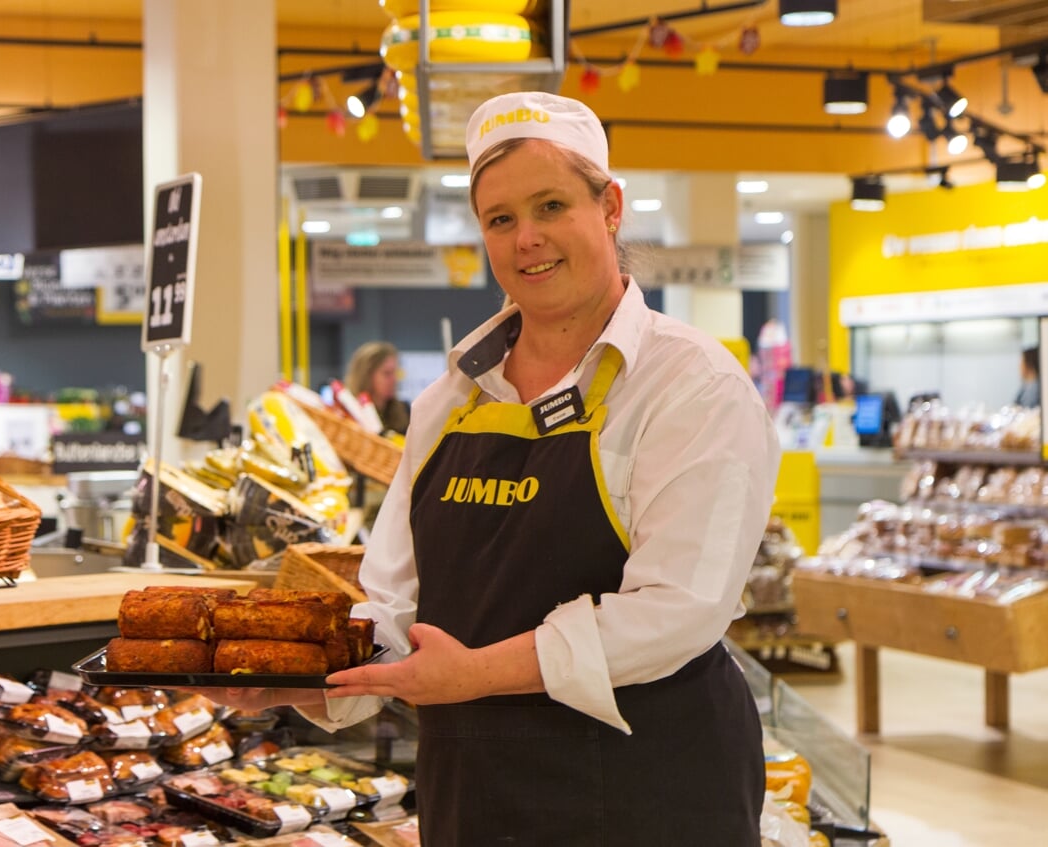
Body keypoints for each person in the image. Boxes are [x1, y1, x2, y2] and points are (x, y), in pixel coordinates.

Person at [204, 92, 779, 845]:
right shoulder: (452, 396)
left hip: (649, 789)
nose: (526, 239)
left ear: (609, 206)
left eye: (550, 205)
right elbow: (391, 600)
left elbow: (676, 609)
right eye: (500, 219)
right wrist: (303, 679)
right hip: (473, 789)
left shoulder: (689, 383)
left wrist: (471, 674)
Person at [344, 341, 411, 435]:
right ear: (366, 376)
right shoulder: (348, 414)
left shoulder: (405, 412)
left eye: (395, 373)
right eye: (387, 373)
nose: (394, 380)